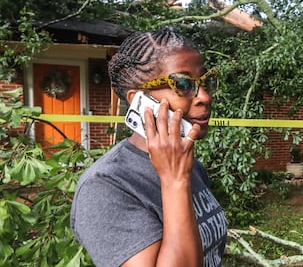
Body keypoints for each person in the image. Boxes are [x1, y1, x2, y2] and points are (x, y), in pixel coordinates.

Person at [70, 28, 228, 267]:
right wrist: (174, 181)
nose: (204, 96)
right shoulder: (105, 187)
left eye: (205, 81)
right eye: (183, 83)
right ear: (139, 100)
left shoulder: (190, 166)